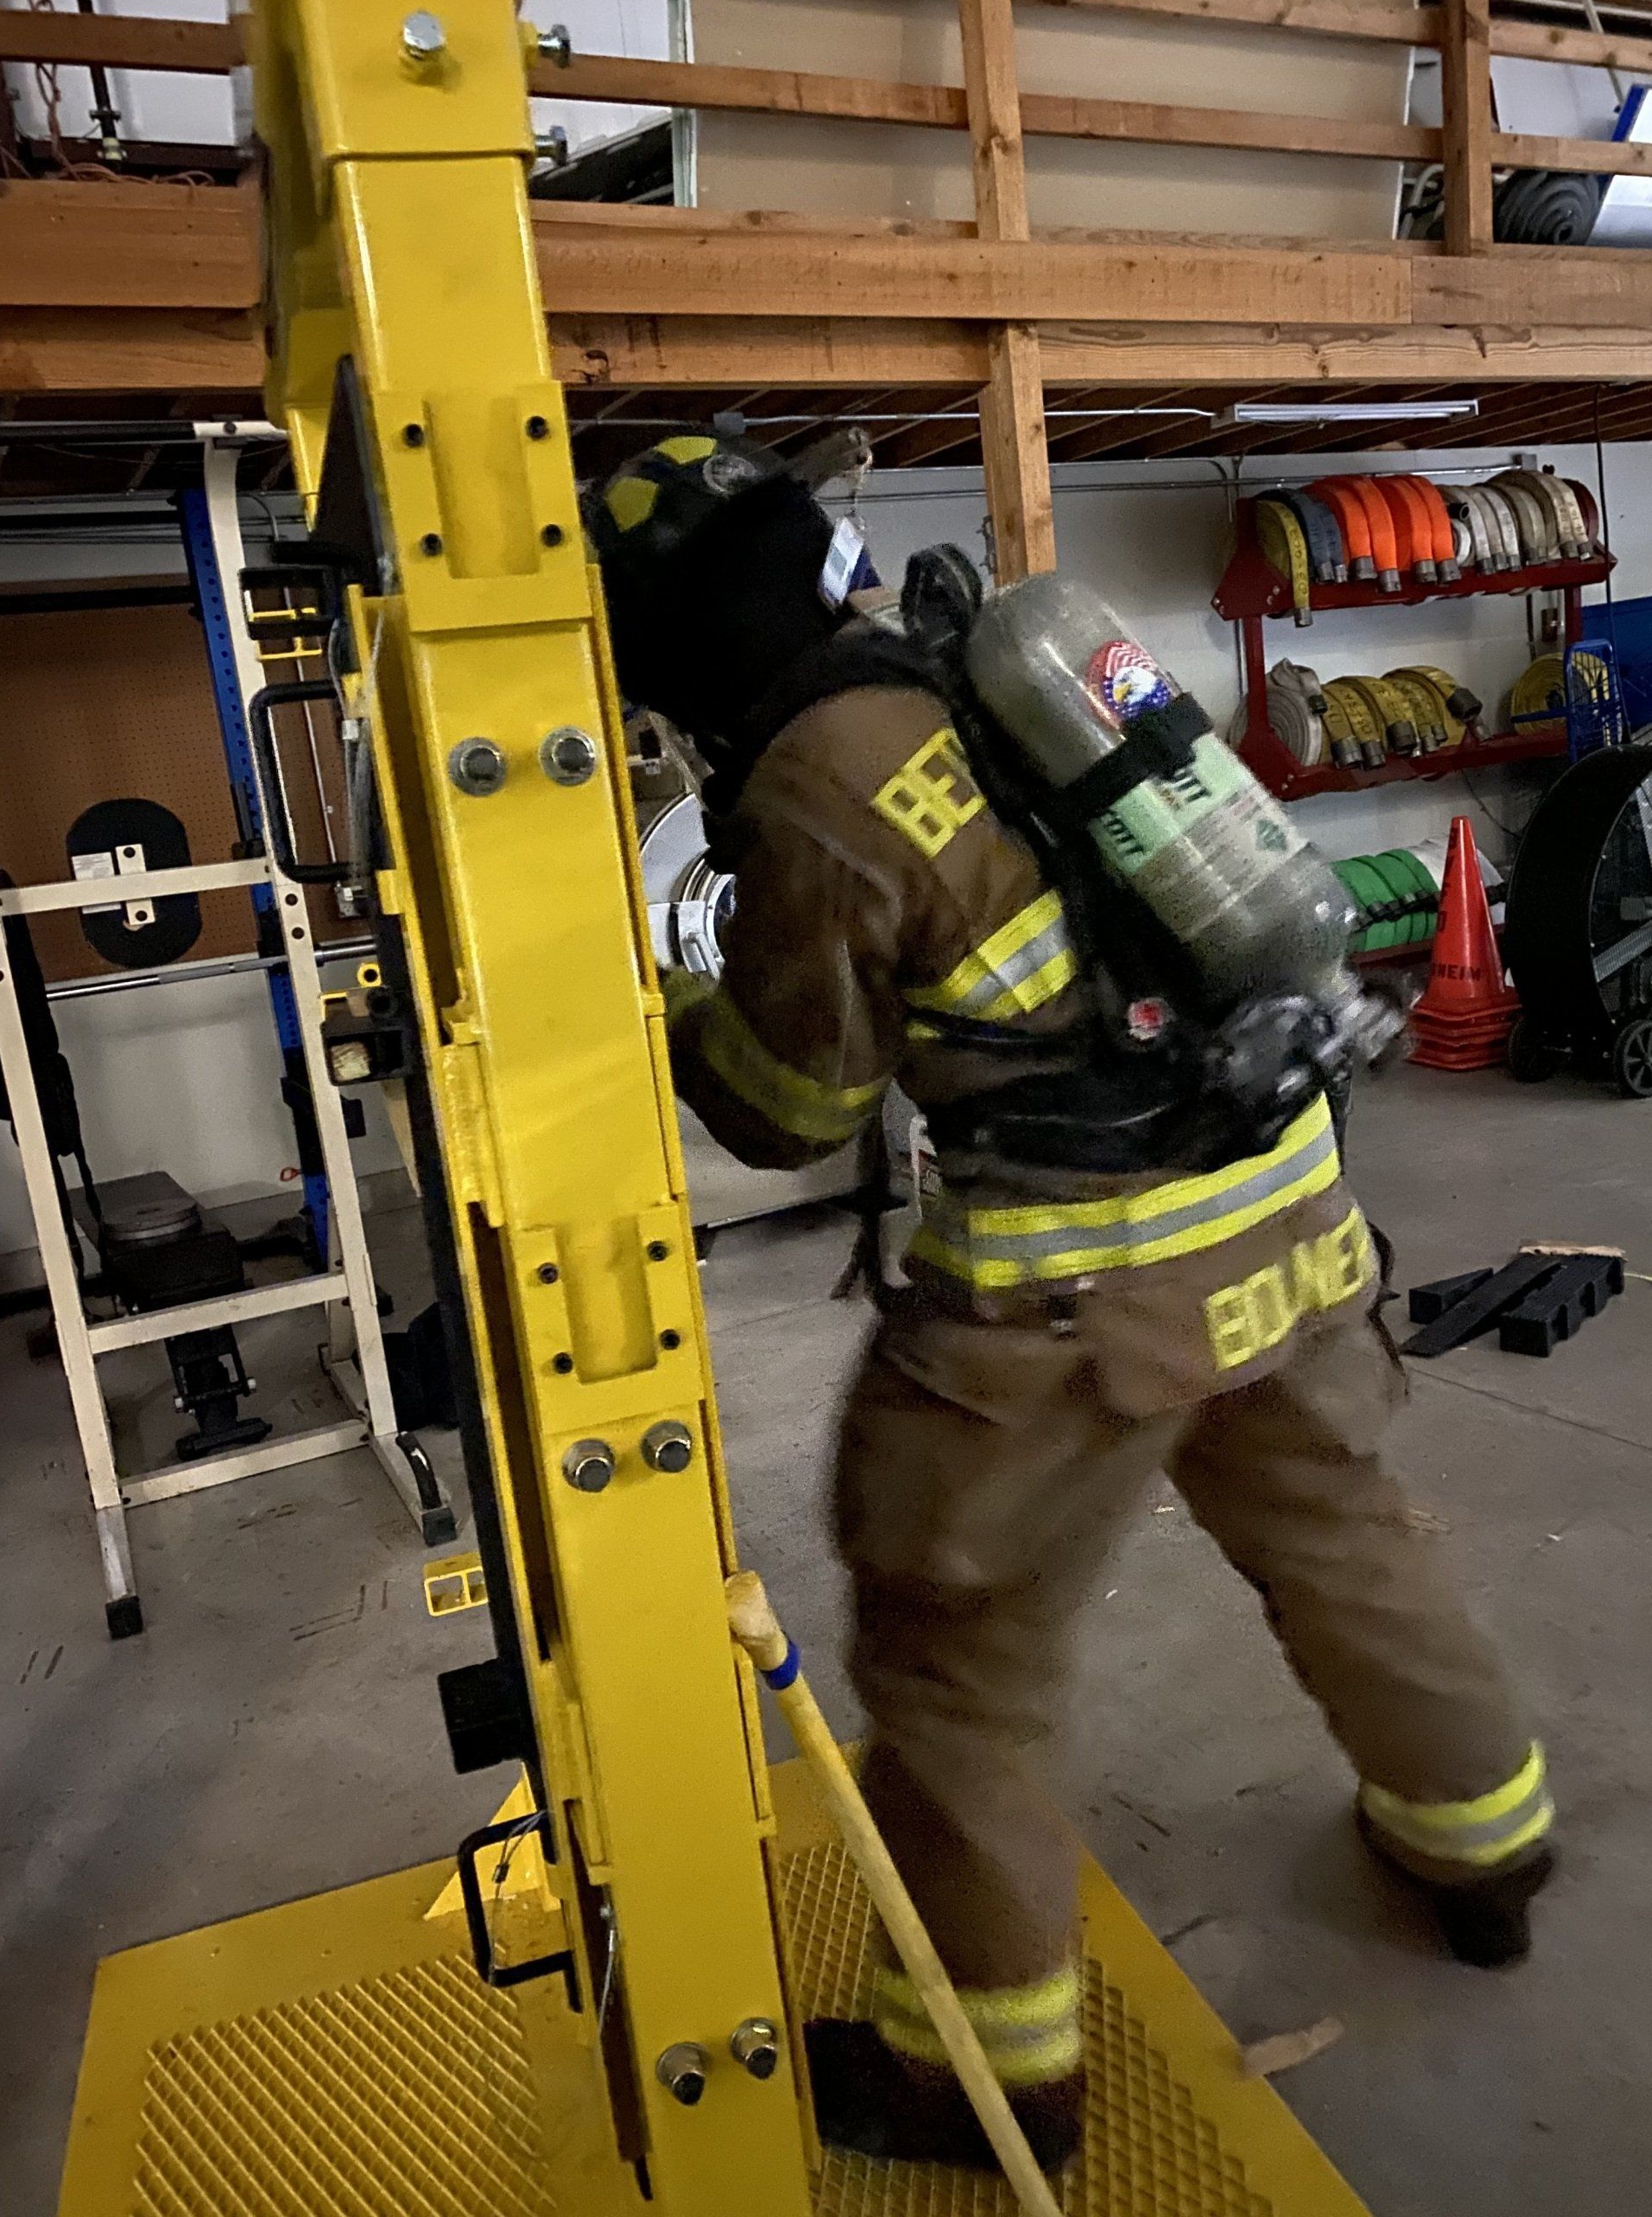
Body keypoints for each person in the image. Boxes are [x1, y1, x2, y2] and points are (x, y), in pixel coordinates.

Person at [589, 433, 1555, 2174]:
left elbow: (793, 1105)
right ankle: (1482, 1851)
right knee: (1344, 1536)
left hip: (1070, 1300)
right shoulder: (996, 657)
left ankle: (979, 2074)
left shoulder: (817, 777)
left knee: (953, 1665)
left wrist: (662, 1009)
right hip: (1288, 1210)